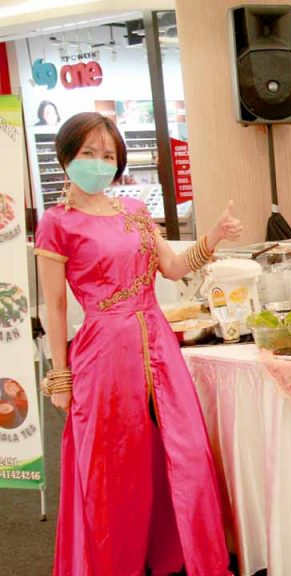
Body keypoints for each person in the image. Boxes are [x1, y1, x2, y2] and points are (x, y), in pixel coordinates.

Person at [34, 112, 242, 575]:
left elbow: (172, 267)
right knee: (113, 463)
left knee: (184, 450)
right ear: (66, 156)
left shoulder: (134, 210)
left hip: (158, 343)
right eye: (89, 153)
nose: (99, 162)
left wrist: (213, 237)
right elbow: (55, 308)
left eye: (108, 155)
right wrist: (60, 377)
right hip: (103, 352)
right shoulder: (56, 223)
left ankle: (184, 553)